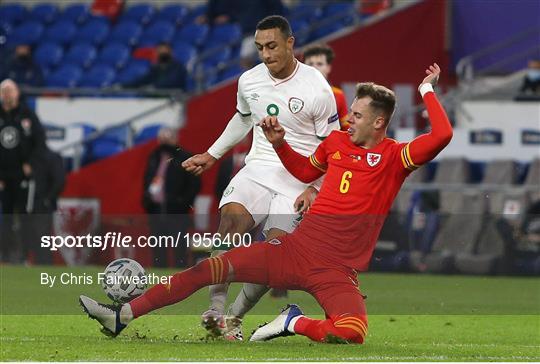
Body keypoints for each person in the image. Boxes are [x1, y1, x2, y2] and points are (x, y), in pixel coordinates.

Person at [79, 63, 453, 344]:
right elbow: (305, 172)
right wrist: (278, 144)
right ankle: (122, 316)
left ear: (380, 121)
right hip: (295, 250)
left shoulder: (394, 157)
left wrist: (426, 90)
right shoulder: (337, 144)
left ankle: (291, 322)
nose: (348, 119)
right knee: (209, 267)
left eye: (356, 114)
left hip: (336, 271)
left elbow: (443, 133)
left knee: (352, 334)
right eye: (349, 112)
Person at [182, 15, 339, 340]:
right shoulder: (249, 81)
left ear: (290, 43)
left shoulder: (317, 88)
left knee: (273, 255)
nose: (266, 55)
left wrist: (314, 187)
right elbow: (242, 118)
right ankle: (214, 310)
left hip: (298, 178)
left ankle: (234, 320)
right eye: (260, 48)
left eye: (272, 46)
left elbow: (333, 148)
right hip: (259, 167)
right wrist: (212, 155)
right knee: (230, 223)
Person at [0, 79, 46, 262]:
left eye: (10, 90)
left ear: (17, 93)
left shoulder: (27, 114)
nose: (8, 94)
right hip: (3, 177)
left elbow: (40, 142)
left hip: (23, 175)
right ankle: (5, 255)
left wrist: (31, 164)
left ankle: (26, 255)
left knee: (26, 215)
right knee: (6, 218)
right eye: (4, 91)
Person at [142, 127, 201, 267]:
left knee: (179, 247)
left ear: (175, 139)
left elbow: (194, 184)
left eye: (167, 139)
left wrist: (182, 202)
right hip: (156, 209)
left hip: (177, 212)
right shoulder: (154, 156)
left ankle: (180, 276)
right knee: (158, 246)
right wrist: (147, 199)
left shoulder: (185, 157)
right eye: (162, 139)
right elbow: (148, 179)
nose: (164, 142)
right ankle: (159, 276)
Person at [303, 44, 349, 131]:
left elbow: (346, 129)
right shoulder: (294, 91)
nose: (314, 68)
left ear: (328, 68)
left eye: (319, 64)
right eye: (310, 64)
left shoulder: (338, 95)